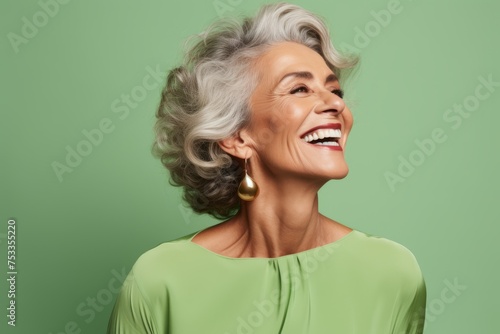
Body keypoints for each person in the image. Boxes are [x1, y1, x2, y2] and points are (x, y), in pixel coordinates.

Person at [107, 3, 426, 333]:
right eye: (299, 89)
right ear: (237, 136)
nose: (336, 104)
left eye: (335, 90)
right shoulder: (159, 282)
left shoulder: (392, 275)